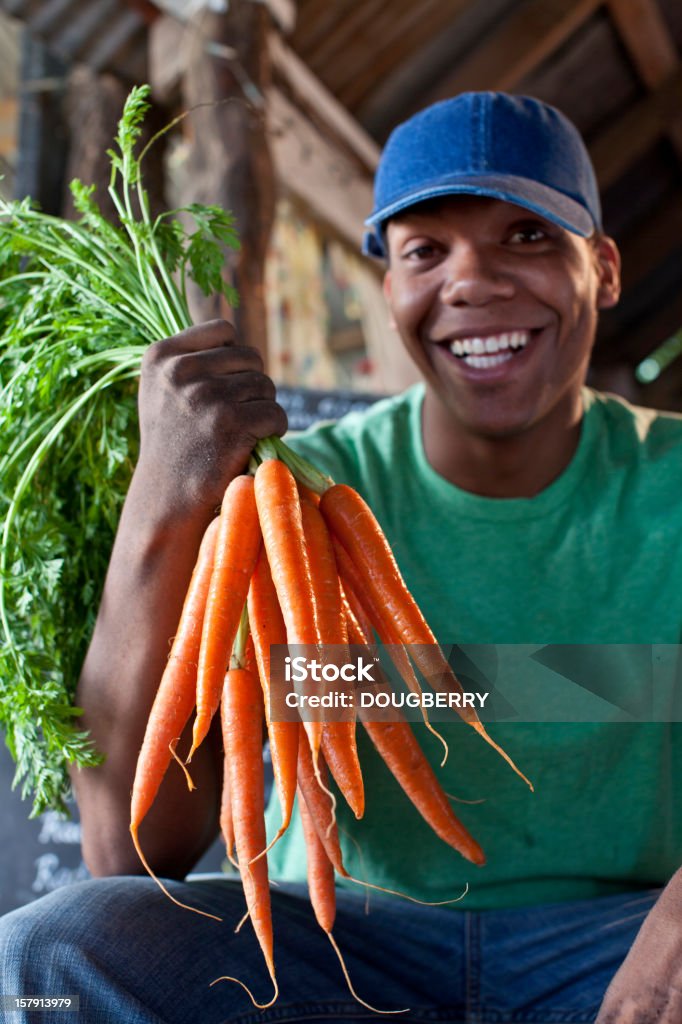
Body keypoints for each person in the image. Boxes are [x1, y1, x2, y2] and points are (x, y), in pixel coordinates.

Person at [2, 90, 682, 1024]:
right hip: (339, 952)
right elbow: (131, 858)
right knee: (51, 949)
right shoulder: (283, 496)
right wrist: (163, 503)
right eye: (424, 251)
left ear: (603, 269)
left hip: (619, 940)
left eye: (526, 236)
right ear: (389, 287)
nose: (473, 281)